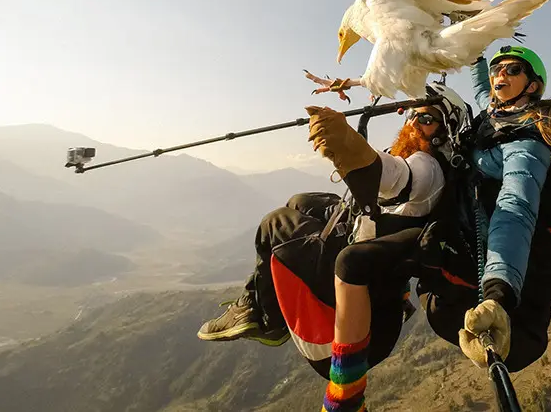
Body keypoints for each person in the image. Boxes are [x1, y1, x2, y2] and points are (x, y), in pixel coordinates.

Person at [196, 83, 469, 395]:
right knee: (301, 201)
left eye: (425, 118)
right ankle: (254, 302)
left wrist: (349, 145)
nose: (411, 123)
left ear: (446, 130)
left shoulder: (427, 166)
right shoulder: (434, 164)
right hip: (380, 284)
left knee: (274, 223)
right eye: (410, 115)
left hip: (357, 304)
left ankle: (265, 318)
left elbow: (395, 177)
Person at [416, 45, 551, 372]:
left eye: (512, 69)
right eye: (497, 68)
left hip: (509, 273)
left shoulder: (528, 143)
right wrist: (476, 54)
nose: (500, 74)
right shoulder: (498, 113)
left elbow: (515, 210)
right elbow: (481, 90)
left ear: (532, 86)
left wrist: (498, 294)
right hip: (475, 240)